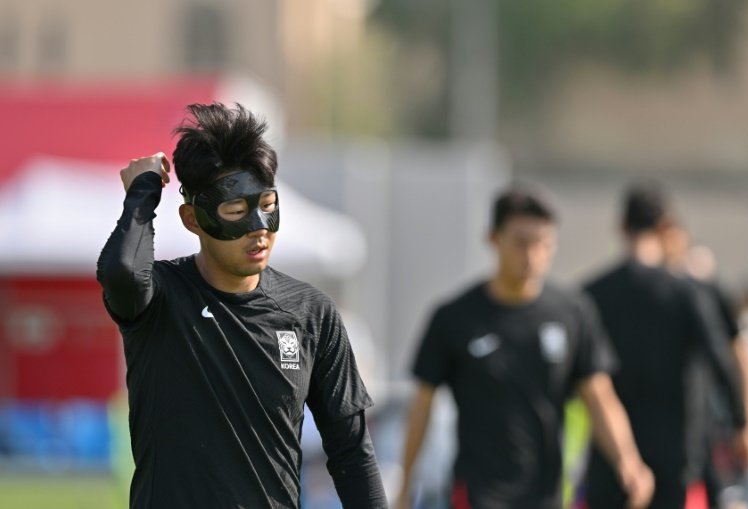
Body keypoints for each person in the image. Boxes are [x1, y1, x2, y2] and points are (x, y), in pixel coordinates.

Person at [96, 103, 387, 508]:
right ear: (192, 219)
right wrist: (143, 191)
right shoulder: (160, 299)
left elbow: (352, 452)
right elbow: (123, 271)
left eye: (267, 206)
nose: (259, 229)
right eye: (235, 211)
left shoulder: (311, 313)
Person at [396, 184, 655, 509]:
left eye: (542, 243)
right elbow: (422, 404)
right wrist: (406, 483)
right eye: (521, 242)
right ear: (494, 239)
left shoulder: (572, 313)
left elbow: (599, 395)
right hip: (476, 494)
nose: (532, 255)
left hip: (544, 494)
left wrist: (628, 461)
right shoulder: (455, 317)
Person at [583, 182, 747, 509]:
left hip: (611, 454)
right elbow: (721, 360)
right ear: (666, 227)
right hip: (674, 452)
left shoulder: (592, 294)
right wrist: (740, 423)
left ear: (620, 227)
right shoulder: (687, 294)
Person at [662, 223, 748, 507]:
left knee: (730, 491)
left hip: (719, 418)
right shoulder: (668, 299)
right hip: (696, 420)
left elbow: (741, 355)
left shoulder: (711, 296)